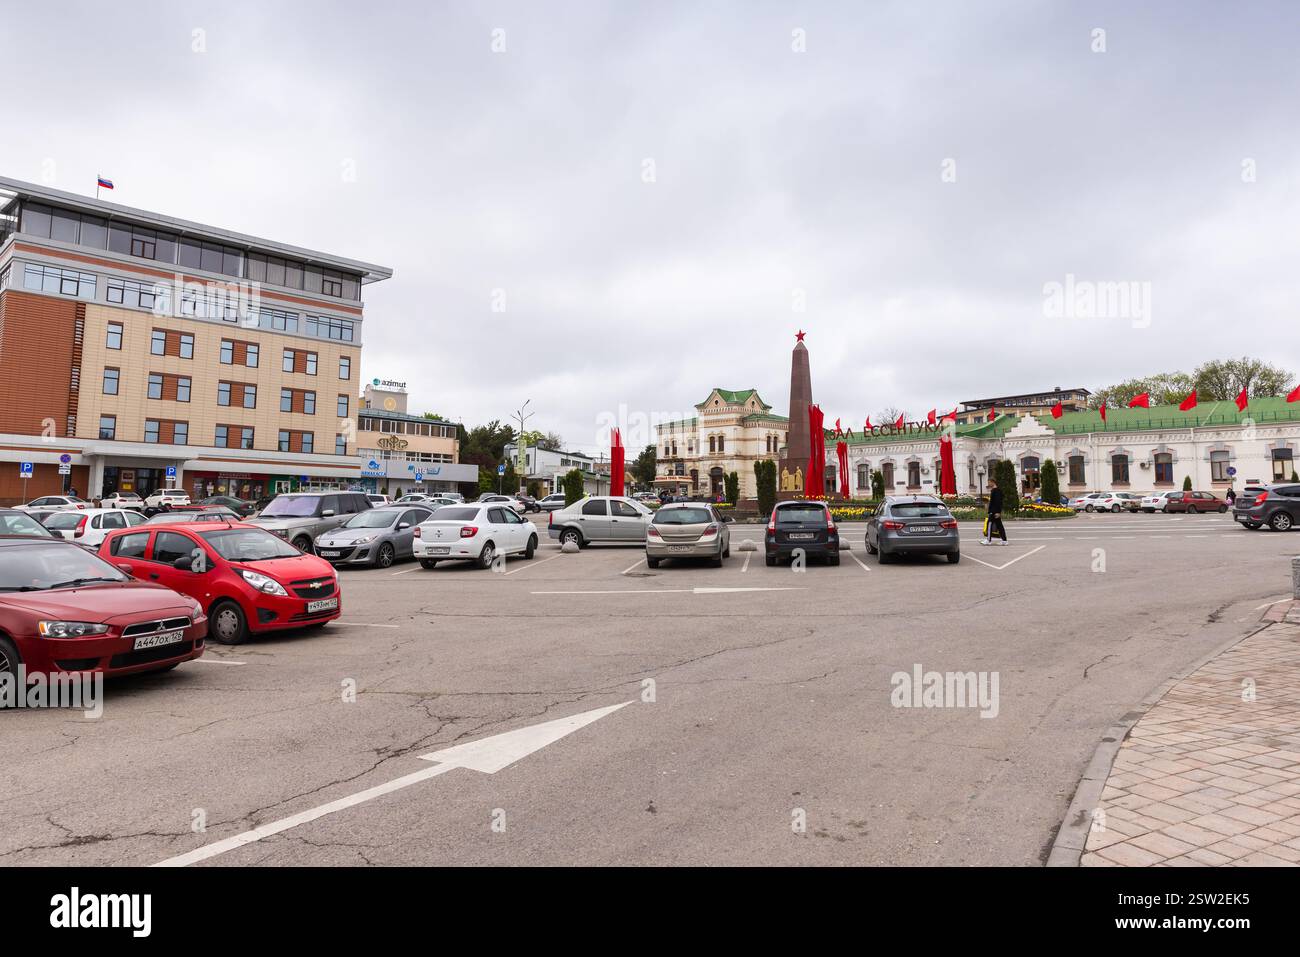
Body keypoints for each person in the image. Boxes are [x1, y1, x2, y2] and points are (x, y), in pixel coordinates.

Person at [983, 478, 1007, 546]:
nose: (988, 484)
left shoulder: (996, 491)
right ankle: (1004, 540)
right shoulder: (995, 490)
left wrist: (998, 512)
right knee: (999, 526)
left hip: (994, 512)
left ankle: (988, 540)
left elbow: (998, 502)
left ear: (993, 482)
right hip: (995, 511)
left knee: (989, 524)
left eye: (989, 482)